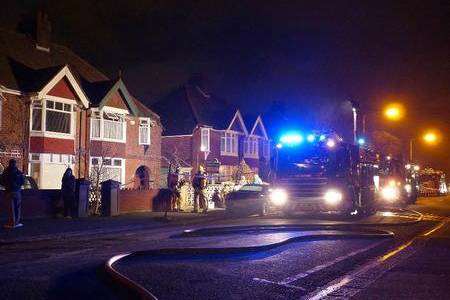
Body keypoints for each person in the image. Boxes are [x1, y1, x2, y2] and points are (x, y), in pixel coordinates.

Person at [0, 159, 25, 229]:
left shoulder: (6, 172)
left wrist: (7, 185)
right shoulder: (18, 172)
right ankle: (16, 222)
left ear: (9, 163)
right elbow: (23, 182)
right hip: (17, 192)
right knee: (17, 207)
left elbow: (1, 181)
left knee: (11, 208)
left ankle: (12, 223)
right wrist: (18, 186)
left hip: (8, 192)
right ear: (15, 164)